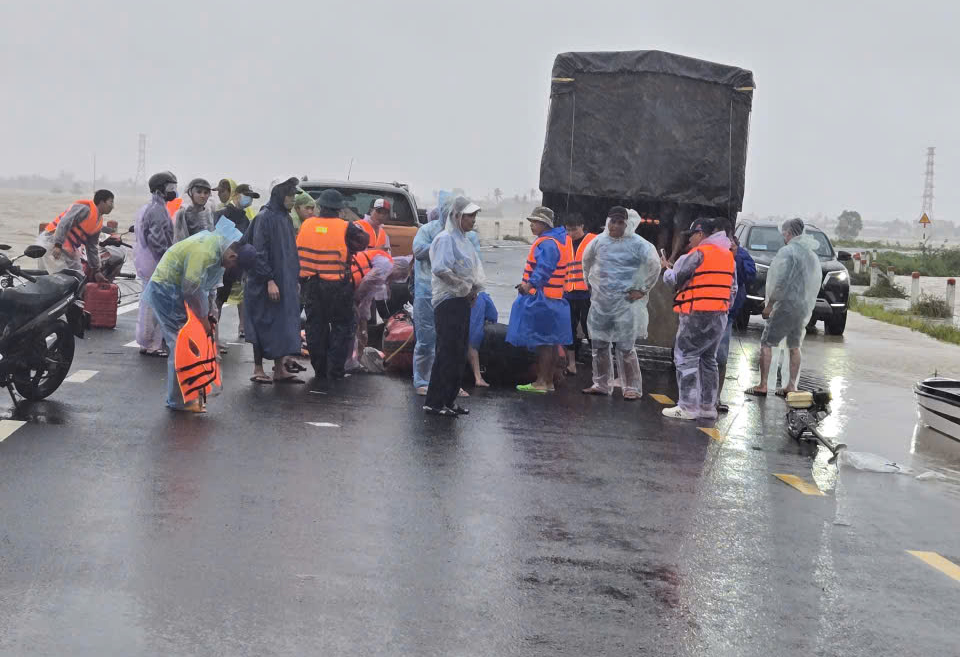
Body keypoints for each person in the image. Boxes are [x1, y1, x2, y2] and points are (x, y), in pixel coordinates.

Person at [141, 218, 256, 412]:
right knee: (181, 345)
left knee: (192, 343)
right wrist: (203, 318)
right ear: (233, 254)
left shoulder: (220, 250)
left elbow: (209, 290)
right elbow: (191, 288)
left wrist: (209, 319)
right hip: (166, 290)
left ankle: (190, 395)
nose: (229, 268)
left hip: (178, 291)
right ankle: (179, 401)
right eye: (232, 263)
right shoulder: (206, 250)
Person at [580, 207, 660, 400]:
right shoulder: (598, 241)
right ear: (607, 222)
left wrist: (642, 289)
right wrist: (588, 283)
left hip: (626, 304)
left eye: (620, 222)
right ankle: (601, 383)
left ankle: (632, 387)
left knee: (625, 347)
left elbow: (655, 265)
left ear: (628, 224)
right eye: (613, 221)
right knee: (599, 344)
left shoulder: (639, 244)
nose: (615, 225)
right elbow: (586, 262)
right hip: (601, 304)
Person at [660, 218, 736, 420]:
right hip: (719, 316)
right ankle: (707, 407)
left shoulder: (697, 254)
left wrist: (666, 269)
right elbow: (732, 289)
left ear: (701, 234)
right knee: (709, 359)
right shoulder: (727, 256)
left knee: (686, 357)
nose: (689, 240)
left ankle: (687, 407)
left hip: (696, 314)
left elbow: (674, 279)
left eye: (691, 235)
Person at [745, 218, 821, 397]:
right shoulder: (811, 254)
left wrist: (770, 304)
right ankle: (791, 386)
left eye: (784, 233)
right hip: (802, 306)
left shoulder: (788, 252)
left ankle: (763, 385)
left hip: (785, 305)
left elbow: (781, 281)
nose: (783, 236)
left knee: (767, 342)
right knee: (794, 345)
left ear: (788, 233)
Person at [423, 196, 485, 417]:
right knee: (447, 351)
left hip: (463, 300)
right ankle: (435, 401)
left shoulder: (465, 241)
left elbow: (473, 269)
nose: (472, 220)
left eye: (474, 216)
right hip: (448, 301)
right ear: (457, 216)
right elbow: (441, 269)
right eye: (469, 216)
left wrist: (474, 289)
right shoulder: (445, 239)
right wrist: (462, 287)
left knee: (459, 351)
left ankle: (449, 399)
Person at [298, 189, 364, 380]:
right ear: (338, 209)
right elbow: (362, 242)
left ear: (320, 206)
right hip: (337, 285)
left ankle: (319, 369)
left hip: (311, 284)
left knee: (315, 326)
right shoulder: (346, 227)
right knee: (342, 326)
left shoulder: (307, 224)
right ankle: (334, 370)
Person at [244, 177, 304, 384]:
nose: (293, 200)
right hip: (264, 283)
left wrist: (294, 278)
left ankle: (279, 369)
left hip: (285, 281)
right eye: (290, 196)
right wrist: (269, 279)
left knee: (282, 324)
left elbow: (291, 252)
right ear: (280, 196)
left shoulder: (285, 218)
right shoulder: (264, 217)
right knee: (262, 323)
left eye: (294, 196)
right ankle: (258, 368)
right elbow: (259, 252)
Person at [506, 206, 572, 393]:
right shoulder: (559, 240)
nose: (531, 225)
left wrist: (528, 285)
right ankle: (548, 381)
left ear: (544, 223)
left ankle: (541, 382)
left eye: (534, 222)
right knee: (551, 342)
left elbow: (544, 269)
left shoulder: (548, 243)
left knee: (544, 343)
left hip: (544, 299)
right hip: (555, 298)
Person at [134, 172, 178, 357]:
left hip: (145, 260)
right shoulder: (158, 210)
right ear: (160, 189)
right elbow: (157, 240)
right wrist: (167, 260)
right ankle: (152, 344)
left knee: (147, 303)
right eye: (170, 188)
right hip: (155, 262)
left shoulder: (147, 207)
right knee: (156, 304)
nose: (173, 191)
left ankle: (146, 341)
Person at [715, 219, 756, 412]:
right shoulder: (704, 252)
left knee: (720, 358)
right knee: (699, 357)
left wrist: (736, 255)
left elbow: (750, 275)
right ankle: (696, 396)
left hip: (727, 314)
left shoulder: (740, 255)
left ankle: (715, 398)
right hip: (703, 312)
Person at [214, 183, 259, 334]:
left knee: (242, 297)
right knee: (217, 302)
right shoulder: (222, 214)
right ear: (236, 195)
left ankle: (242, 328)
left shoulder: (245, 218)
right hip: (222, 265)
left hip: (239, 266)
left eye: (251, 198)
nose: (249, 200)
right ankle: (213, 338)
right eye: (247, 196)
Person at [38, 190, 115, 278]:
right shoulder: (84, 209)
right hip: (51, 242)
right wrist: (57, 245)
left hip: (68, 249)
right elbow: (64, 223)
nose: (113, 206)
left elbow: (92, 247)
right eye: (111, 202)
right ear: (102, 202)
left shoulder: (98, 223)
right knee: (59, 276)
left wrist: (96, 270)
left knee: (78, 275)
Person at [562, 213, 597, 375]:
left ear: (582, 226)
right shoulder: (565, 241)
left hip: (587, 293)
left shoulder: (594, 240)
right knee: (568, 329)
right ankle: (571, 365)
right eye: (568, 230)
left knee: (589, 328)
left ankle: (599, 365)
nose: (571, 233)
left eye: (574, 229)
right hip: (569, 292)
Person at [467, 291, 498, 387]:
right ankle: (478, 377)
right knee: (472, 346)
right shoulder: (483, 296)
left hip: (459, 327)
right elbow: (493, 315)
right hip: (474, 331)